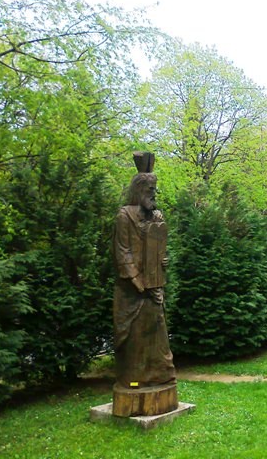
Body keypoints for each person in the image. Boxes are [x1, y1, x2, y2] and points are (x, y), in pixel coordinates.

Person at [112, 155, 176, 388]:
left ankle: (159, 376)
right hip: (132, 292)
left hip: (153, 288)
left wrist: (162, 262)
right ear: (139, 190)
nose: (154, 194)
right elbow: (123, 255)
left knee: (156, 333)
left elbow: (157, 249)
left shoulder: (156, 217)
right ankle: (134, 380)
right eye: (150, 189)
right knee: (135, 338)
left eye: (155, 189)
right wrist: (141, 285)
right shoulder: (124, 216)